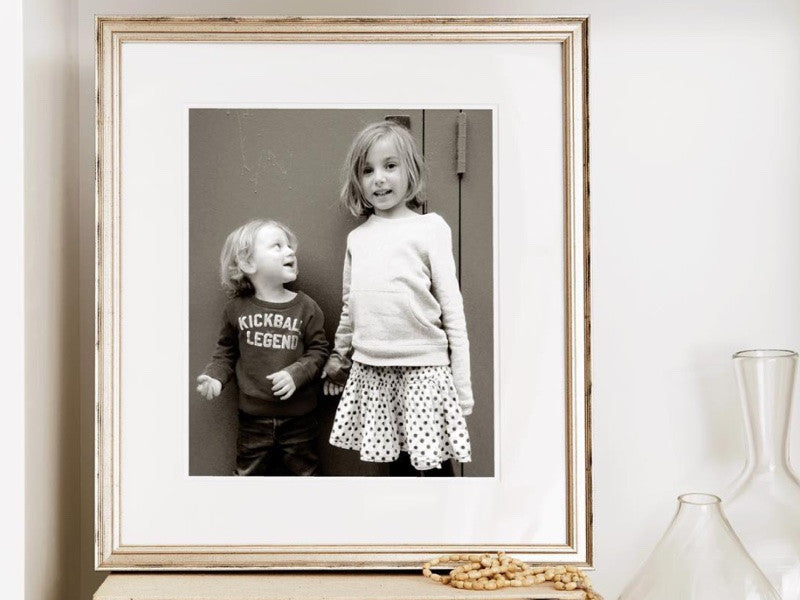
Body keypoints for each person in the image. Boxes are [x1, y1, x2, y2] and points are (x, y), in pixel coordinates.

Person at [323, 120, 473, 476]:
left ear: (411, 171)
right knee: (396, 467)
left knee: (434, 466)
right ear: (358, 180)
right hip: (373, 370)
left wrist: (462, 387)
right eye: (368, 170)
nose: (379, 178)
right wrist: (339, 359)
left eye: (390, 166)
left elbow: (453, 312)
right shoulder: (358, 239)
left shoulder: (430, 228)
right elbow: (350, 308)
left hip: (424, 369)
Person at [197, 219, 329, 476]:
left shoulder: (306, 307)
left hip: (299, 419)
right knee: (246, 478)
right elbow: (225, 353)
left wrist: (297, 373)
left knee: (308, 479)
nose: (290, 251)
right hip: (252, 420)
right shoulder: (236, 309)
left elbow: (319, 351)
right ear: (248, 263)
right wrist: (215, 378)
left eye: (289, 246)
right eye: (277, 246)